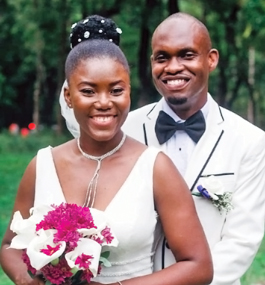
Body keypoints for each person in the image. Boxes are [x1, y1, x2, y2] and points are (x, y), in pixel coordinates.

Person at [0, 15, 213, 285]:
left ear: (129, 92)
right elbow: (10, 246)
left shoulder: (155, 167)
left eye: (116, 90)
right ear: (69, 96)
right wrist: (28, 280)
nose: (104, 102)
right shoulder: (42, 164)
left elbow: (198, 266)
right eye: (88, 91)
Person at [59, 12, 265, 285]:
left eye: (187, 55)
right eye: (162, 57)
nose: (173, 67)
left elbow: (242, 241)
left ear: (211, 59)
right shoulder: (121, 127)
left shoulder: (250, 141)